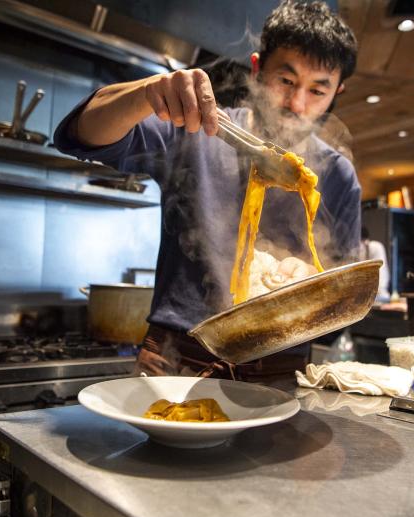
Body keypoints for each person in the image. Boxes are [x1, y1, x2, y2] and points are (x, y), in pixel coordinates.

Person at [54, 1, 361, 382]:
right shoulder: (198, 128)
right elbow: (80, 136)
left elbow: (345, 293)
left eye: (318, 90)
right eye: (286, 80)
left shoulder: (338, 175)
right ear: (256, 69)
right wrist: (147, 93)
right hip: (177, 356)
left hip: (280, 369)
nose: (297, 104)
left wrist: (312, 282)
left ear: (338, 91)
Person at [359, 227, 391, 302]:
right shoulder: (361, 251)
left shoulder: (375, 247)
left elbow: (381, 272)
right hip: (369, 297)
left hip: (380, 295)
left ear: (365, 241)